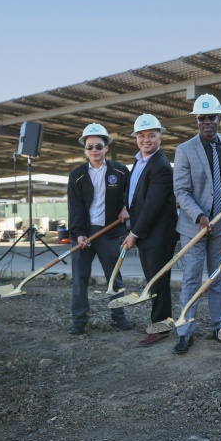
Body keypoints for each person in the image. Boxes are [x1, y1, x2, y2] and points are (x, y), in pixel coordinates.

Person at [172, 94, 221, 355]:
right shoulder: (184, 150)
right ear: (196, 120)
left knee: (218, 277)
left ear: (219, 119)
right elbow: (181, 191)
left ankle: (218, 325)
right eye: (202, 118)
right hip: (195, 226)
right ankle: (184, 331)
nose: (207, 122)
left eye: (212, 117)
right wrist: (199, 216)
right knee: (191, 279)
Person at [66, 123, 130, 335]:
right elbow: (74, 207)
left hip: (110, 232)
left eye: (98, 146)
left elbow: (131, 196)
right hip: (83, 232)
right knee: (80, 279)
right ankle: (79, 321)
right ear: (85, 150)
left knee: (114, 277)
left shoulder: (120, 171)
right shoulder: (77, 175)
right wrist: (79, 233)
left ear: (106, 148)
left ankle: (119, 317)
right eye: (90, 147)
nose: (94, 151)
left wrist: (126, 208)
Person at [122, 114, 179, 347]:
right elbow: (137, 194)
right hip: (147, 232)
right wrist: (126, 208)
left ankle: (162, 327)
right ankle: (157, 321)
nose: (146, 139)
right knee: (152, 280)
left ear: (160, 137)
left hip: (158, 233)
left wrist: (134, 233)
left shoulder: (161, 166)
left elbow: (152, 206)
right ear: (136, 137)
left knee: (158, 281)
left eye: (151, 135)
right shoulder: (140, 161)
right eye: (142, 135)